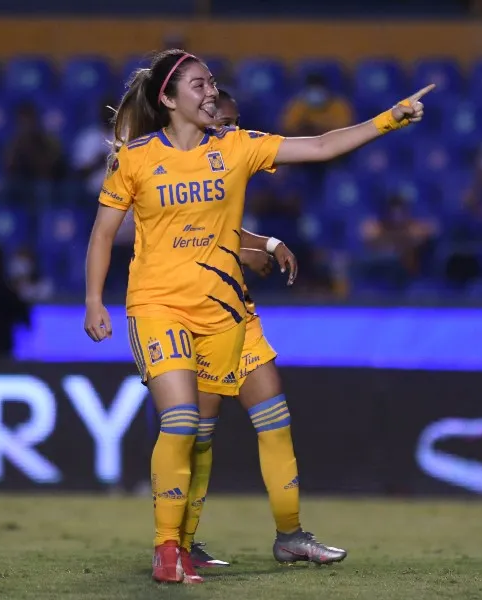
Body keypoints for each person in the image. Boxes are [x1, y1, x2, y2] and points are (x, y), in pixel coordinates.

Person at [83, 48, 431, 584]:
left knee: (245, 424)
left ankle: (278, 536)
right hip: (157, 306)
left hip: (223, 312)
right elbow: (104, 233)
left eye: (211, 84)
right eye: (197, 86)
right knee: (181, 423)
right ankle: (168, 550)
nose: (209, 93)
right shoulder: (134, 158)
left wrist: (390, 118)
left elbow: (318, 146)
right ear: (168, 99)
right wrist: (93, 300)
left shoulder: (237, 147)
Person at [185, 89, 344, 569]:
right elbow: (190, 235)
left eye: (237, 123)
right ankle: (180, 541)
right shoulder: (175, 166)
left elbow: (225, 230)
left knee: (275, 421)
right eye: (224, 122)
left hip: (239, 313)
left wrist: (267, 242)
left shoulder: (232, 162)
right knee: (198, 436)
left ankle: (290, 535)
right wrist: (252, 247)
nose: (232, 131)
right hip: (196, 314)